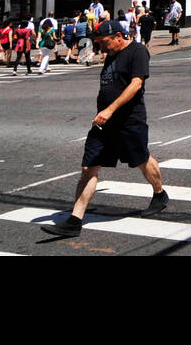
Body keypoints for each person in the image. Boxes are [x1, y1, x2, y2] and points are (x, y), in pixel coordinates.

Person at [44, 21, 166, 237]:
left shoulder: (137, 51)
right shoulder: (111, 54)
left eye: (103, 42)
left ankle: (159, 194)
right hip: (103, 123)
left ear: (119, 36)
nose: (101, 47)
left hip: (129, 120)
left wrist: (110, 109)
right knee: (88, 168)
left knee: (141, 160)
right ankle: (74, 221)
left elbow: (136, 84)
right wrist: (104, 112)